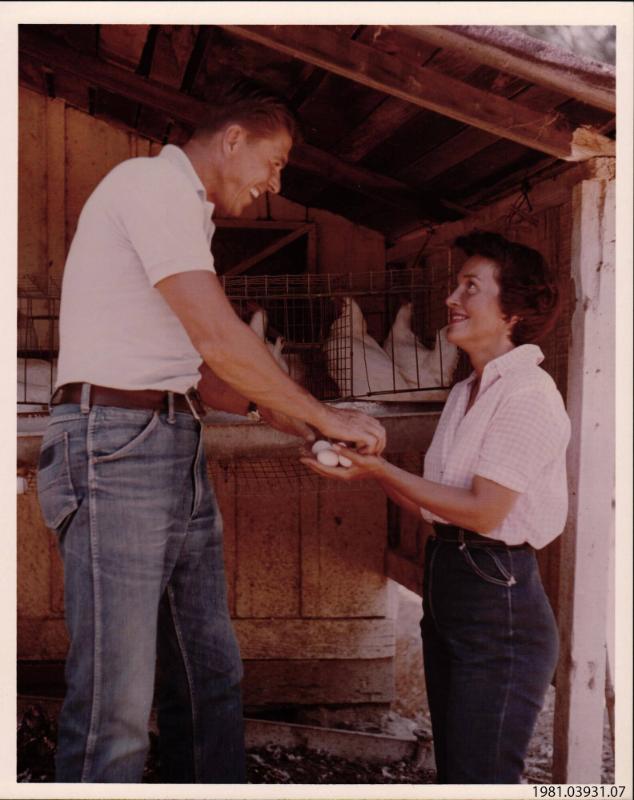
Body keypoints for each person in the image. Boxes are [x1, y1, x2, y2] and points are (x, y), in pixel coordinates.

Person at [35, 77, 385, 784]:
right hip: (114, 446)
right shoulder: (152, 185)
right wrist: (329, 415)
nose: (275, 184)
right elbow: (221, 340)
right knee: (116, 708)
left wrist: (301, 426)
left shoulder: (188, 215)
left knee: (210, 675)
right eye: (274, 162)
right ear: (232, 139)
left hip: (168, 438)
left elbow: (207, 374)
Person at [302, 231, 570, 784]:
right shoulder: (467, 391)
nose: (452, 298)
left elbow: (482, 512)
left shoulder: (527, 393)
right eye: (457, 285)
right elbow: (435, 506)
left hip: (498, 599)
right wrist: (366, 468)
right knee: (458, 772)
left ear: (513, 311)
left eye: (471, 287)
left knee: (481, 776)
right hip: (452, 578)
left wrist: (380, 469)